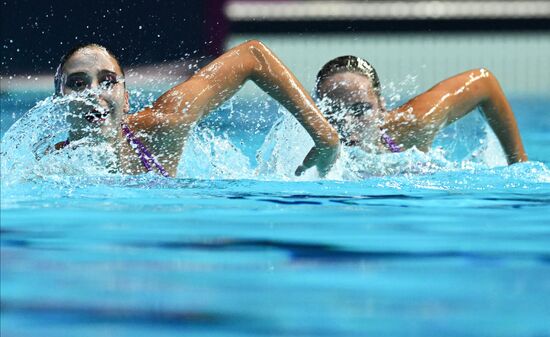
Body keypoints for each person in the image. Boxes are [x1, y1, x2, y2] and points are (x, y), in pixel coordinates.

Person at [53, 41, 340, 177]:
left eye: (107, 81)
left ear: (126, 98)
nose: (94, 93)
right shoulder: (50, 167)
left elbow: (254, 56)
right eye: (78, 84)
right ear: (58, 101)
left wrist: (325, 136)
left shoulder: (162, 127)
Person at [314, 56, 527, 165]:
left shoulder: (412, 126)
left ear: (381, 104)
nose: (347, 122)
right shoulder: (308, 143)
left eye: (360, 109)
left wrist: (517, 163)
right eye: (333, 112)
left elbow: (485, 82)